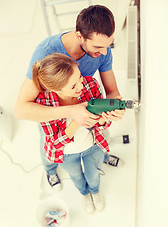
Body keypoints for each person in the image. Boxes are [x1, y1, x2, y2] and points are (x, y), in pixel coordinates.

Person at [15, 5, 125, 189]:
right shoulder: (46, 53)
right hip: (53, 115)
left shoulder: (103, 50)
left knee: (96, 137)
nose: (104, 53)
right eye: (98, 47)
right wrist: (72, 112)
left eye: (108, 45)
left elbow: (112, 90)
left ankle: (102, 155)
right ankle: (50, 171)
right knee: (50, 150)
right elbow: (21, 109)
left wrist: (115, 108)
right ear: (79, 36)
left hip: (84, 113)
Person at [33, 53, 113, 213]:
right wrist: (77, 118)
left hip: (94, 145)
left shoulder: (90, 84)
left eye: (80, 78)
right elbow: (55, 142)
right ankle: (84, 194)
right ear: (55, 89)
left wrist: (104, 119)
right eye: (73, 87)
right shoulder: (44, 103)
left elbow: (103, 124)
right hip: (67, 154)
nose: (81, 87)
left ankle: (95, 191)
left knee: (94, 174)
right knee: (77, 177)